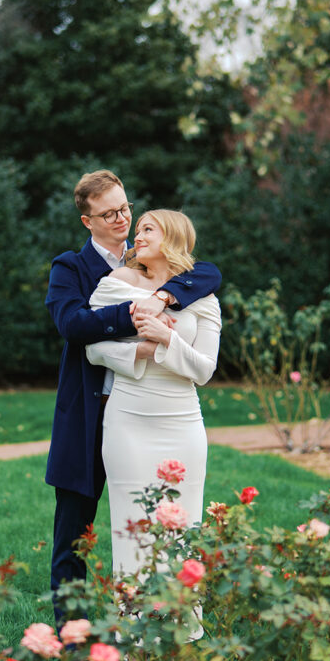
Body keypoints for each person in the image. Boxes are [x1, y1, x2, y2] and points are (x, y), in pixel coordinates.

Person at [45, 171, 221, 627]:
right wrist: (138, 314)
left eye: (126, 208)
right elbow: (74, 326)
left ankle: (167, 626)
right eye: (110, 214)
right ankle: (73, 643)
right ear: (88, 221)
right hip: (91, 413)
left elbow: (207, 271)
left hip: (156, 411)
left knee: (165, 527)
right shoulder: (70, 268)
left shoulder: (164, 265)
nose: (123, 219)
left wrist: (161, 292)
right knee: (75, 535)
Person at [85, 209, 221, 607]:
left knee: (182, 532)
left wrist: (166, 338)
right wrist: (142, 351)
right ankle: (136, 653)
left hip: (183, 424)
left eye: (148, 228)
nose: (136, 234)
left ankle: (179, 642)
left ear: (173, 237)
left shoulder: (203, 296)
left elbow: (204, 370)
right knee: (134, 533)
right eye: (138, 227)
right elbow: (93, 349)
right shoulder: (115, 286)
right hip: (129, 421)